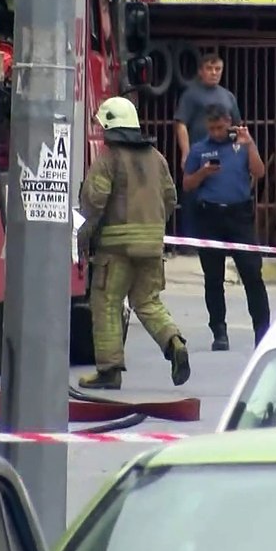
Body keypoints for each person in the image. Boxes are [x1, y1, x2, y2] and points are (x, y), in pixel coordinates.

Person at [75, 96, 190, 390]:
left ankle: (109, 371)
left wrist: (86, 227)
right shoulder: (157, 158)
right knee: (148, 301)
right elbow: (171, 198)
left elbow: (94, 200)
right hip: (152, 247)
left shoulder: (109, 158)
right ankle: (174, 342)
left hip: (115, 250)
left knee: (107, 303)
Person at [181, 105, 270, 349]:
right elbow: (187, 184)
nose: (217, 133)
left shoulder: (241, 146)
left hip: (239, 215)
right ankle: (219, 331)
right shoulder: (199, 149)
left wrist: (250, 144)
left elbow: (259, 171)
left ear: (229, 122)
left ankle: (262, 330)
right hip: (210, 215)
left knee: (252, 273)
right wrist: (203, 173)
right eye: (212, 128)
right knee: (213, 276)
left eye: (220, 127)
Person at [173, 53, 241, 241]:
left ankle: (223, 240)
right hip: (198, 153)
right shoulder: (191, 94)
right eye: (209, 69)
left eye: (217, 69)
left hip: (224, 154)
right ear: (201, 71)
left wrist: (238, 153)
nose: (214, 73)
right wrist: (185, 152)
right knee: (193, 196)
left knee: (221, 194)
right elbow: (181, 124)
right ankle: (190, 242)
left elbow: (237, 126)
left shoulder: (228, 96)